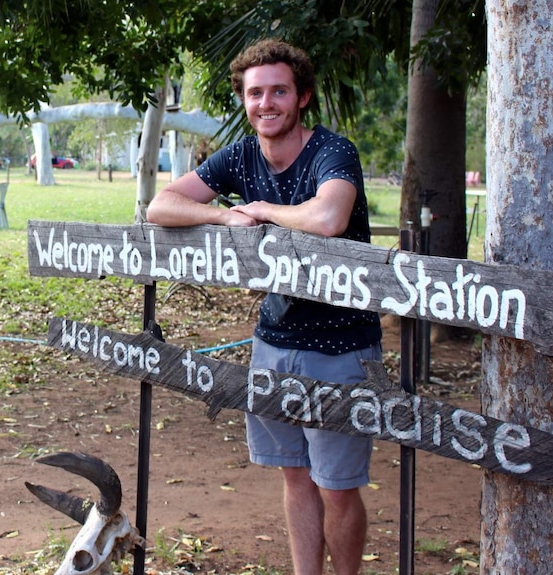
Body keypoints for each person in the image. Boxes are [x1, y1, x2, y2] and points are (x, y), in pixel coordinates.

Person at [146, 39, 382, 575]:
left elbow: (328, 218)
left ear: (302, 97)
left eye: (279, 91)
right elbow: (162, 204)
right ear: (244, 99)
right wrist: (223, 217)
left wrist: (259, 209)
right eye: (255, 93)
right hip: (274, 342)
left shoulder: (333, 152)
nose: (266, 103)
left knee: (337, 487)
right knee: (294, 476)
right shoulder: (241, 155)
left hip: (342, 347)